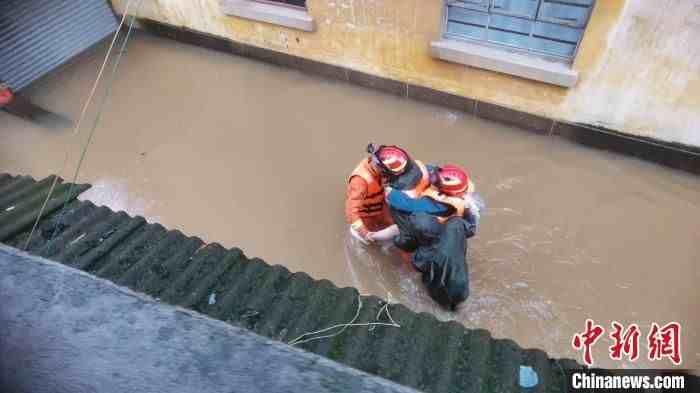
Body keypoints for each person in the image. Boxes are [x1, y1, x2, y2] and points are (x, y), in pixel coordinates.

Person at [381, 164, 482, 310]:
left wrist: (390, 192)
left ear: (446, 190)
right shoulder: (463, 195)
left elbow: (408, 205)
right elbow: (435, 171)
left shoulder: (442, 205)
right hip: (448, 237)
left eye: (438, 181)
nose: (434, 180)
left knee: (432, 275)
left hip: (435, 242)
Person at [345, 144, 433, 244]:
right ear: (383, 171)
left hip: (382, 207)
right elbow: (351, 212)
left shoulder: (387, 160)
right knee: (371, 240)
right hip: (366, 215)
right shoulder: (360, 182)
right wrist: (364, 232)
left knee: (397, 226)